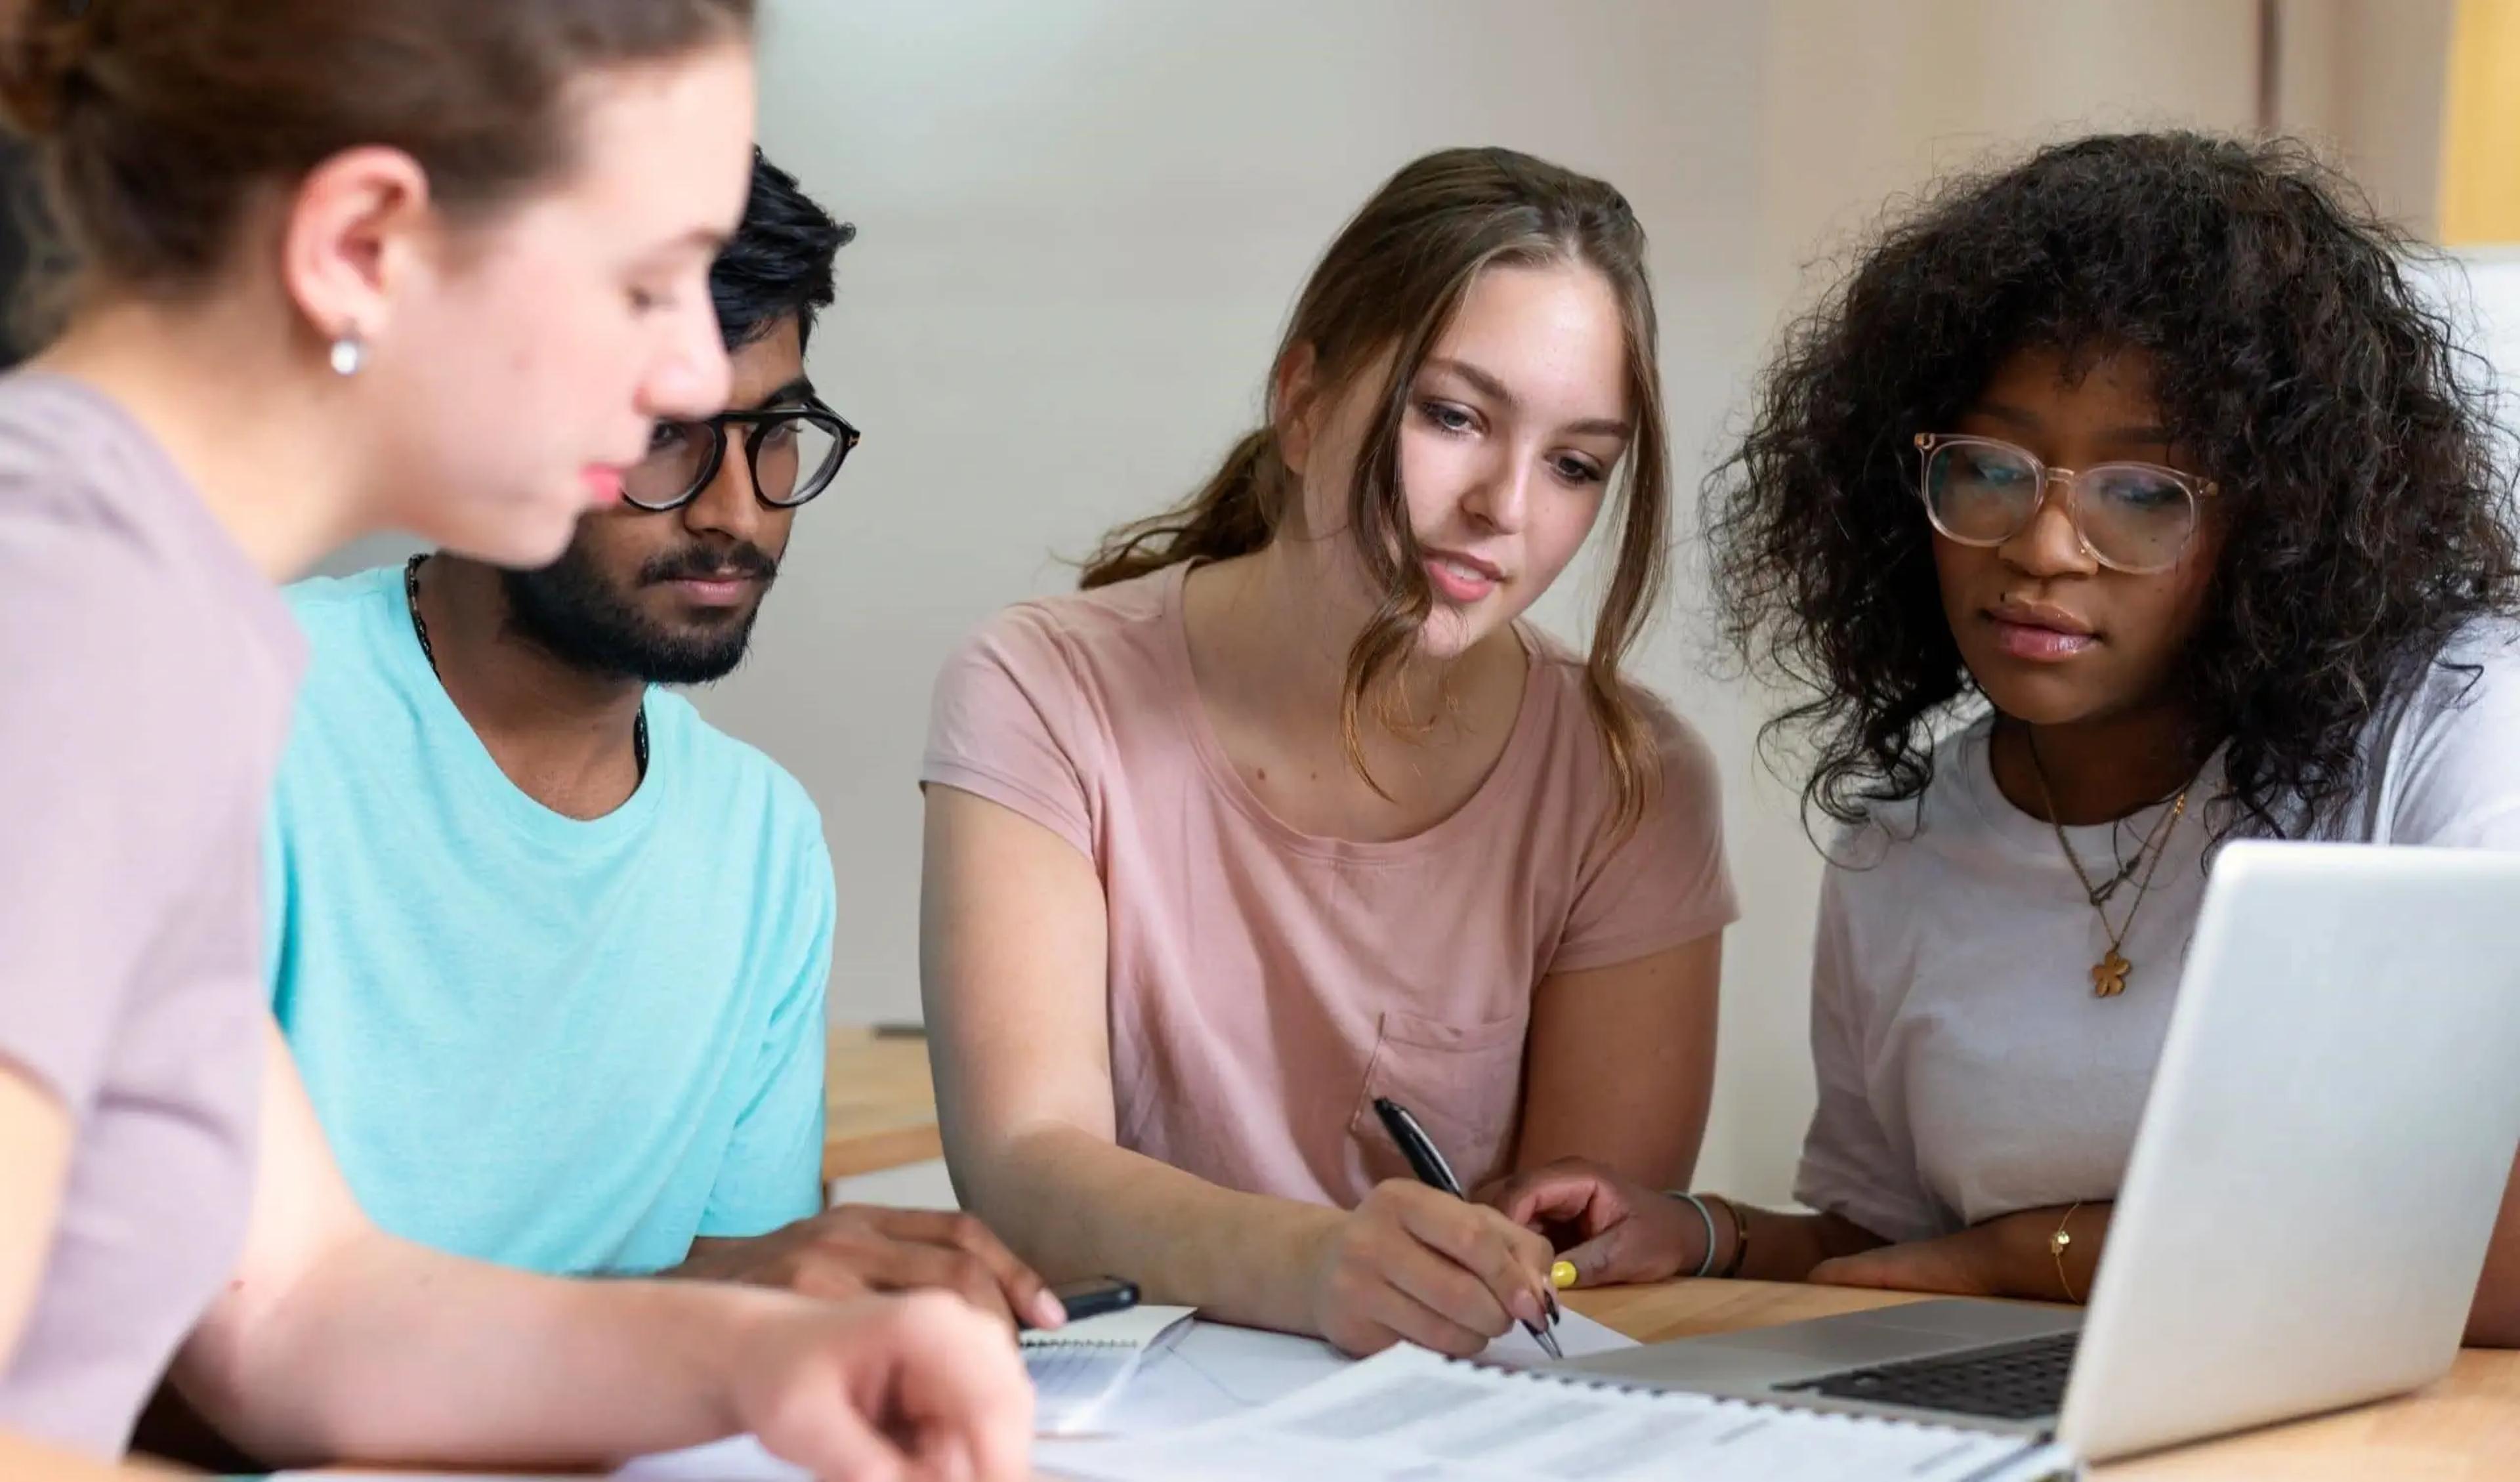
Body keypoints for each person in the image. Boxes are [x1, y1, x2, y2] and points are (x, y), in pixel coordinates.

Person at [0, 3, 1029, 1477]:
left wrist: (766, 1351)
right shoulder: (54, 608)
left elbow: (298, 1307)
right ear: (364, 246)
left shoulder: (170, 620)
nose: (693, 372)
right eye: (648, 280)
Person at [1487, 132, 2520, 1348]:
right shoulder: (1904, 849)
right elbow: (1902, 1255)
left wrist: (2040, 1250)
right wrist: (1707, 1229)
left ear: (2283, 523)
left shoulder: (2452, 725)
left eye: (2143, 492)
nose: (2040, 548)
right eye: (1989, 469)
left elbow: (2491, 1264)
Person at [921, 146, 1738, 1359]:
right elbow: (1024, 1170)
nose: (1506, 506)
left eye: (1574, 465)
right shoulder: (1044, 690)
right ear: (1303, 402)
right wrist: (1315, 1263)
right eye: (1454, 416)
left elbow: (1583, 1263)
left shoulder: (1634, 780)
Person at [266, 147, 1059, 1327]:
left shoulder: (762, 844)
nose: (736, 511)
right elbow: (111, 1349)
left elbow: (732, 1328)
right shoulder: (247, 704)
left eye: (775, 433)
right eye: (663, 432)